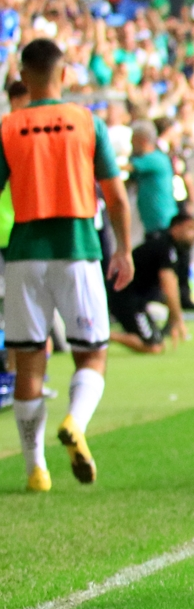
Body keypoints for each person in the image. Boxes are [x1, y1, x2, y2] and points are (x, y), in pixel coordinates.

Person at [1, 38, 134, 491]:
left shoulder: (8, 127)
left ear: (23, 76)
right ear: (64, 74)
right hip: (77, 247)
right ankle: (75, 422)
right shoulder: (85, 122)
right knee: (92, 354)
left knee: (29, 362)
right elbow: (115, 196)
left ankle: (35, 469)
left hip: (23, 253)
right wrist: (124, 250)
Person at [108, 211, 194, 353]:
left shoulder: (173, 249)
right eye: (190, 229)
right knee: (154, 347)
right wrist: (177, 319)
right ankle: (102, 336)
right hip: (125, 297)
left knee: (158, 342)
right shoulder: (165, 248)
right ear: (176, 228)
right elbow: (169, 286)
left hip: (135, 298)